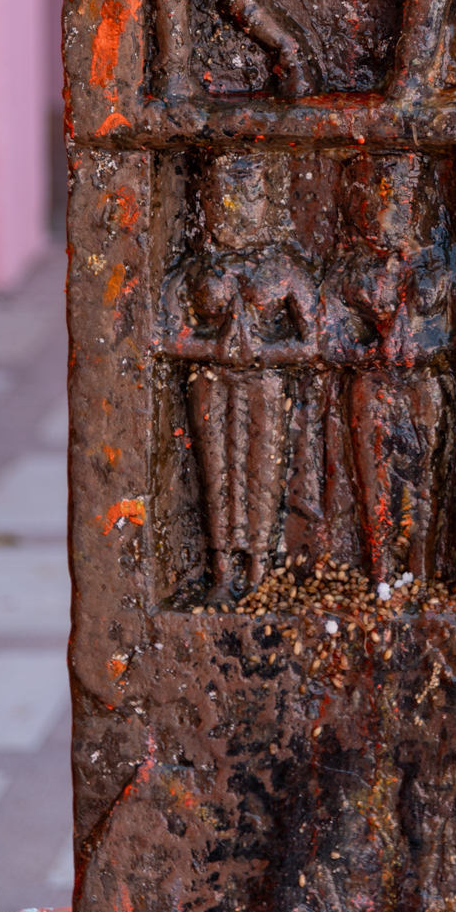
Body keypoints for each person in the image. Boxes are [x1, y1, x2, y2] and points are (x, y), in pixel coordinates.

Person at [163, 152, 317, 602]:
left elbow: (313, 342)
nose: (233, 204)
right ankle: (221, 566)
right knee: (217, 472)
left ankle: (258, 566)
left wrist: (262, 351)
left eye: (246, 193)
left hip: (266, 379)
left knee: (262, 471)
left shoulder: (283, 268)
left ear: (265, 200)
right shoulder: (197, 269)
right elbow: (164, 336)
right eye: (221, 195)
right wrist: (214, 348)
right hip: (212, 378)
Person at [321, 154, 456, 585]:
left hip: (423, 382)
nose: (385, 214)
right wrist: (369, 350)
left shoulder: (439, 268)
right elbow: (329, 341)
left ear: (416, 206)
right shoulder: (349, 268)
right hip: (370, 381)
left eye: (398, 203)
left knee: (426, 481)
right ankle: (379, 570)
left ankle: (422, 567)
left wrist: (419, 348)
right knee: (374, 482)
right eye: (373, 199)